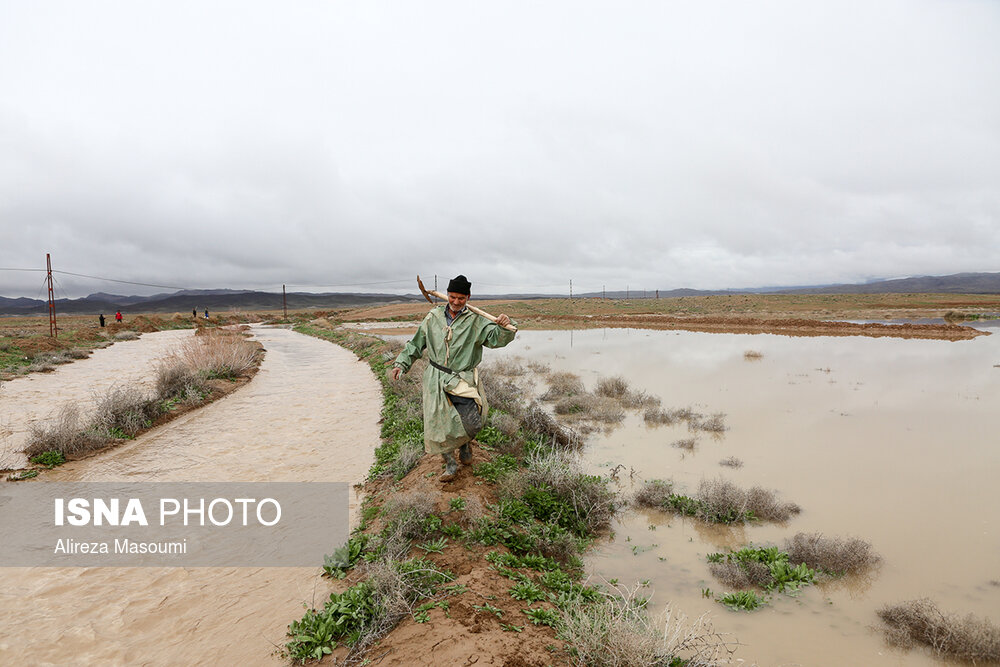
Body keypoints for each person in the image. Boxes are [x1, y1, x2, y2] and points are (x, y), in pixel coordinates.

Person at [388, 275, 516, 482]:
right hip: (436, 379)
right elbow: (415, 343)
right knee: (439, 425)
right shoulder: (433, 317)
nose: (456, 302)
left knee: (473, 422)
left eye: (461, 298)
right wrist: (401, 363)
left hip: (462, 379)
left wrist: (503, 325)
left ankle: (464, 443)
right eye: (452, 297)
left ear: (468, 297)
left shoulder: (476, 321)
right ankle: (450, 464)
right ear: (447, 295)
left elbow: (495, 339)